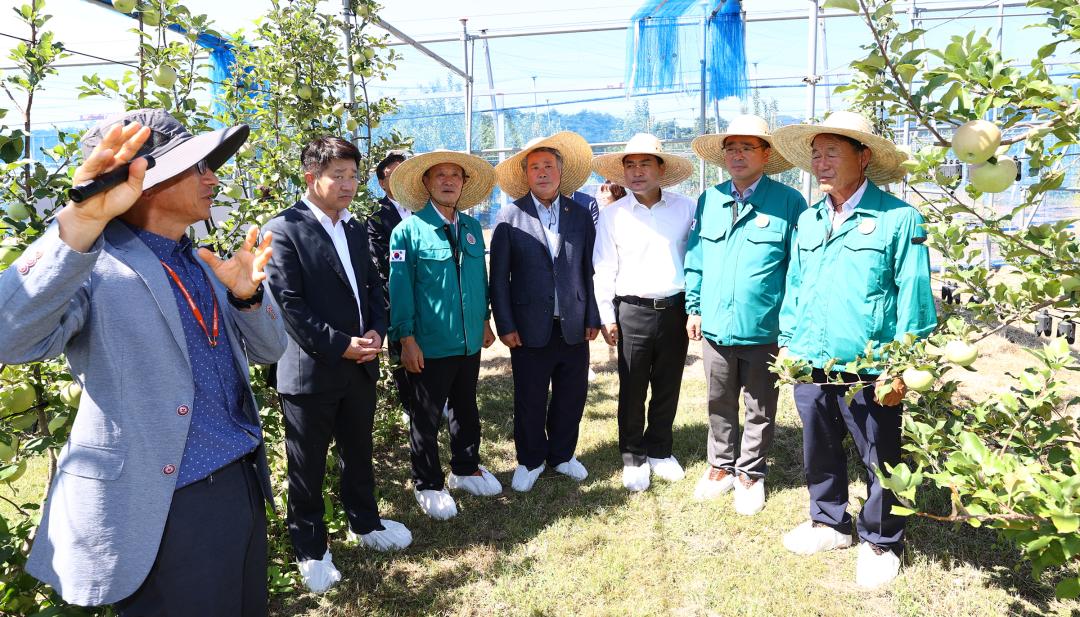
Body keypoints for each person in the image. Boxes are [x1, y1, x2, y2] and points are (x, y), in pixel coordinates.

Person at [0, 108, 287, 615]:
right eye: (197, 167)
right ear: (143, 181)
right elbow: (9, 338)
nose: (212, 177)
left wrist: (245, 298)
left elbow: (269, 351)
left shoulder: (197, 259)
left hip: (240, 480)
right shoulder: (90, 265)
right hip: (165, 501)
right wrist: (79, 223)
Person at [772, 111, 937, 588]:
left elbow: (914, 296)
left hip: (871, 365)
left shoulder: (897, 219)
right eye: (816, 155)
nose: (820, 164)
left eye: (832, 154)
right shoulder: (809, 219)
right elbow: (796, 286)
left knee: (879, 452)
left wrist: (903, 365)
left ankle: (882, 540)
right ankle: (828, 521)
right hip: (810, 357)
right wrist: (788, 341)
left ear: (863, 158)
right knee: (817, 444)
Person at [263, 137, 412, 595]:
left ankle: (364, 522)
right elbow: (290, 305)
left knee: (357, 450)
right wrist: (340, 344)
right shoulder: (284, 228)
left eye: (352, 176)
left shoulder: (352, 227)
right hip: (310, 370)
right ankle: (310, 548)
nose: (348, 185)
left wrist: (377, 331)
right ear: (312, 178)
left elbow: (371, 285)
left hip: (359, 362)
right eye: (338, 176)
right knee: (306, 466)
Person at [684, 115, 806, 515]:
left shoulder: (789, 203)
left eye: (747, 147)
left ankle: (750, 472)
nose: (737, 155)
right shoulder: (711, 199)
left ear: (766, 154)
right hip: (717, 325)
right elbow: (696, 258)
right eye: (730, 147)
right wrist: (695, 306)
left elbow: (798, 270)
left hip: (764, 327)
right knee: (719, 399)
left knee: (760, 404)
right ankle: (719, 465)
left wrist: (788, 330)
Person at [387, 150, 501, 520]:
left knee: (466, 407)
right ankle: (428, 483)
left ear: (464, 183)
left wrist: (484, 320)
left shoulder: (468, 228)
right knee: (426, 415)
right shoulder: (407, 231)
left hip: (468, 339)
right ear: (426, 182)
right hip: (429, 344)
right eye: (441, 175)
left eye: (456, 175)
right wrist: (406, 338)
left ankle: (465, 468)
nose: (449, 181)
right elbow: (399, 289)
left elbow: (478, 279)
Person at [490, 132, 601, 492]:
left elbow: (587, 269)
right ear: (526, 175)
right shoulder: (509, 216)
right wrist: (504, 323)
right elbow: (499, 279)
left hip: (572, 324)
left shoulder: (580, 215)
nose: (542, 172)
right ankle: (531, 459)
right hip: (527, 327)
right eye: (534, 167)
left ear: (560, 171)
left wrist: (592, 316)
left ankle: (563, 455)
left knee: (572, 394)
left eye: (548, 166)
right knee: (530, 396)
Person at [591, 133, 696, 492]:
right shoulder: (613, 216)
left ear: (661, 168)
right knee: (633, 385)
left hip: (675, 310)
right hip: (631, 311)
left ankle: (660, 450)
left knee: (668, 384)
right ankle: (633, 455)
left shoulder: (685, 209)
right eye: (630, 165)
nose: (637, 172)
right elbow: (603, 266)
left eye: (645, 164)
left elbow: (696, 260)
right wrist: (607, 314)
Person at [366, 150, 418, 423]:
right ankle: (409, 403)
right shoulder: (376, 216)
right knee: (401, 348)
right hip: (395, 292)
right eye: (391, 174)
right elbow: (379, 259)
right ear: (382, 182)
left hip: (426, 293)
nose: (398, 178)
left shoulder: (423, 208)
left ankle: (433, 397)